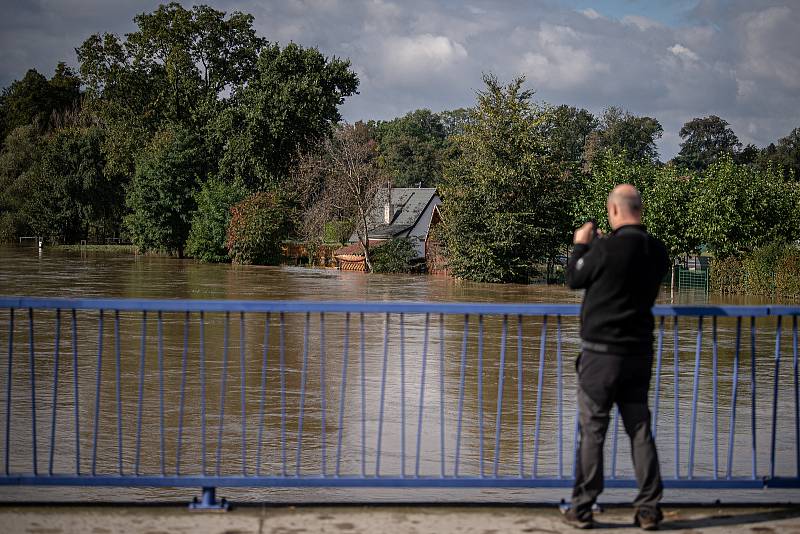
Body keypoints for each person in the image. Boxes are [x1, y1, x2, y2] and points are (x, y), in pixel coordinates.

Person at [562, 184, 669, 530]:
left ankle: (582, 508)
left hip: (600, 358)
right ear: (640, 209)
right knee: (639, 431)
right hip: (638, 355)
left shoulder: (605, 249)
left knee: (593, 432)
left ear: (614, 211)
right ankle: (649, 509)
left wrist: (582, 244)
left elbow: (574, 278)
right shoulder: (657, 251)